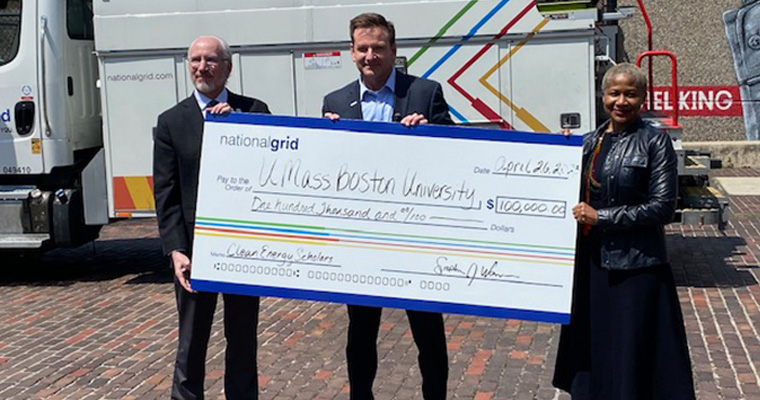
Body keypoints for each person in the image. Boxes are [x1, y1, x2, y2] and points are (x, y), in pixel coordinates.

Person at [322, 12, 452, 400]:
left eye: (378, 48)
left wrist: (431, 133)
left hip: (415, 238)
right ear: (351, 52)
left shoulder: (425, 92)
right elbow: (325, 173)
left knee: (428, 331)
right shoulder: (335, 102)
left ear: (394, 51)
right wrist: (324, 140)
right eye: (362, 48)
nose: (370, 56)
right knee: (360, 330)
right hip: (362, 241)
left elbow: (456, 154)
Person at [552, 63, 696, 400]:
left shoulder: (655, 142)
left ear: (643, 98)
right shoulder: (588, 142)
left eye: (630, 94)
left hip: (637, 266)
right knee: (597, 346)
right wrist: (558, 155)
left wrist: (600, 217)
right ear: (603, 96)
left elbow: (662, 207)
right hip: (592, 266)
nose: (621, 101)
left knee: (633, 350)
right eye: (614, 93)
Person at [153, 35, 270, 400]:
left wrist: (241, 127)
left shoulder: (254, 110)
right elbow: (166, 193)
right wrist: (176, 250)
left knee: (242, 338)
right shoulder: (171, 121)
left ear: (228, 67)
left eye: (210, 60)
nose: (202, 67)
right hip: (195, 251)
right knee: (191, 341)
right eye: (195, 60)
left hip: (241, 248)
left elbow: (271, 168)